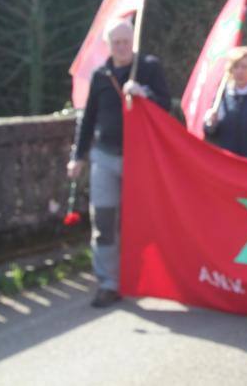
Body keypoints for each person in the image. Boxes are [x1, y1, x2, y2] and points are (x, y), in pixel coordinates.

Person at [66, 18, 171, 308]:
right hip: (104, 155)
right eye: (116, 43)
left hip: (140, 159)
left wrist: (145, 94)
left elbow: (167, 107)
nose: (122, 47)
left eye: (126, 42)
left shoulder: (148, 67)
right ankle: (108, 283)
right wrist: (78, 157)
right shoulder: (101, 75)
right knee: (104, 220)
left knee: (142, 219)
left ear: (132, 42)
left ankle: (144, 275)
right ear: (109, 45)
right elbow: (87, 120)